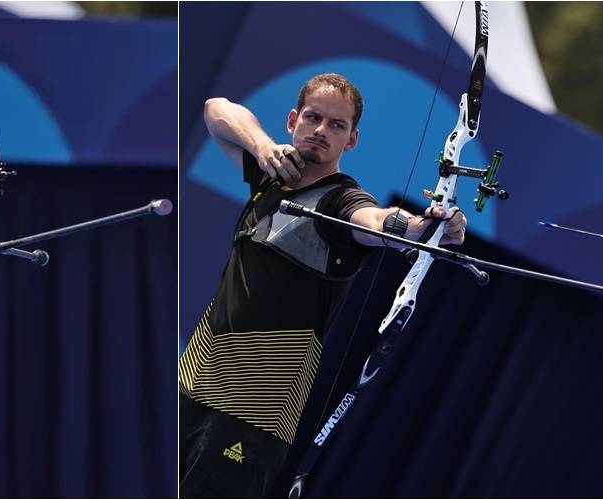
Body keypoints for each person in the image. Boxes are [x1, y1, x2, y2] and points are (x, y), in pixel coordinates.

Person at [178, 73, 467, 498]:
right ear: (293, 119)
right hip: (196, 379)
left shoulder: (341, 200)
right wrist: (261, 147)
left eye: (337, 125)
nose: (320, 130)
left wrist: (425, 227)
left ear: (351, 141)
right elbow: (215, 109)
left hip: (257, 409)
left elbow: (375, 222)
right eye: (313, 117)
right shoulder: (270, 175)